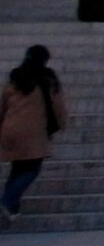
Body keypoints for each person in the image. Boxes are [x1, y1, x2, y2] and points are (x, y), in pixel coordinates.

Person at [1, 45, 69, 226]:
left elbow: (2, 105)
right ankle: (8, 200)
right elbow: (58, 107)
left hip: (10, 130)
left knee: (18, 168)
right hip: (33, 132)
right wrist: (62, 125)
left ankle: (12, 205)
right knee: (32, 169)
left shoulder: (15, 79)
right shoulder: (48, 80)